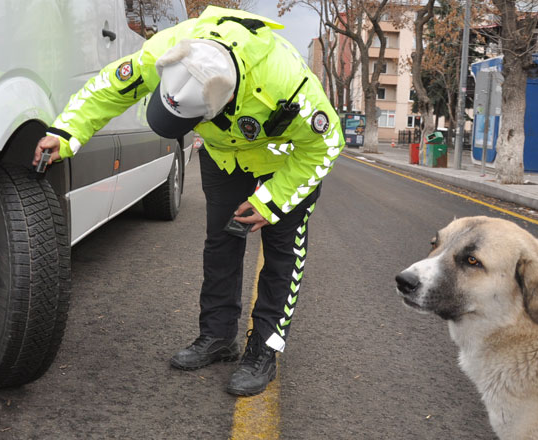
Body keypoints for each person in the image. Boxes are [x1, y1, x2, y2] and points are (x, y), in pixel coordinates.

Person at [34, 6, 344, 397]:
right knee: (221, 245)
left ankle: (264, 349)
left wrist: (272, 202)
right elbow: (113, 86)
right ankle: (216, 337)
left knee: (282, 256)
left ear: (222, 104)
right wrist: (66, 132)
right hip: (225, 158)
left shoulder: (287, 83)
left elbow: (327, 145)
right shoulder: (171, 49)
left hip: (286, 165)